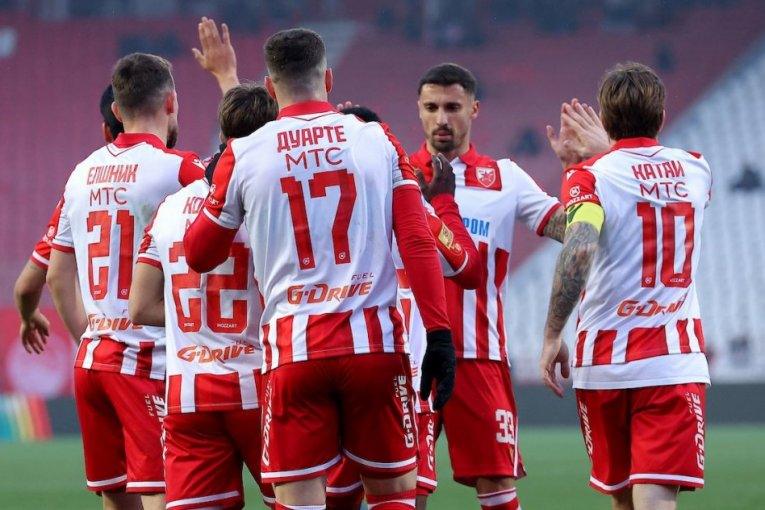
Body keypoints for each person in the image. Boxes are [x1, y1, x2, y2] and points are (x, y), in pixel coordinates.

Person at [183, 28, 456, 510]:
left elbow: (199, 254)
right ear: (328, 79)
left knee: (300, 500)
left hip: (294, 354)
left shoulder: (244, 154)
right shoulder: (376, 138)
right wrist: (438, 335)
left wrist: (225, 199)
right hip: (373, 347)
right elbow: (415, 238)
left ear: (270, 88)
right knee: (394, 493)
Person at [541, 62, 712, 510]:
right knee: (656, 496)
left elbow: (579, 247)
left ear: (604, 117)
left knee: (623, 500)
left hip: (602, 363)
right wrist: (612, 152)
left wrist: (552, 334)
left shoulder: (590, 177)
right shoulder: (697, 169)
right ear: (662, 115)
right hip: (672, 363)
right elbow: (648, 185)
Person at [46, 53, 205, 509]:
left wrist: (94, 338)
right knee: (162, 491)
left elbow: (57, 276)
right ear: (171, 103)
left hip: (93, 361)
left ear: (116, 109)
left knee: (116, 497)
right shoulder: (180, 169)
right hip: (144, 360)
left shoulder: (80, 174)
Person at [409, 63, 565, 510]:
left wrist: (582, 170)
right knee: (407, 487)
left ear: (474, 109)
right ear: (418, 110)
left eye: (453, 107)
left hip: (479, 355)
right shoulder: (397, 174)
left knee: (497, 483)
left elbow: (571, 228)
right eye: (432, 107)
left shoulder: (505, 178)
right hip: (411, 356)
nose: (442, 119)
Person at [129, 82, 279, 510]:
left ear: (222, 134)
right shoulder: (274, 202)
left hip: (189, 393)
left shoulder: (171, 208)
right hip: (261, 383)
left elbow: (139, 306)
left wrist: (193, 319)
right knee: (304, 499)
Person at [325, 105, 482, 510]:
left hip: (326, 363)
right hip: (400, 377)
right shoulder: (413, 207)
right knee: (402, 497)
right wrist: (443, 202)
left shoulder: (314, 208)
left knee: (329, 497)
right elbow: (468, 267)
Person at [13, 84, 123, 355]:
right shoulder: (180, 174)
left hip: (103, 353)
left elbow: (27, 287)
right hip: (168, 355)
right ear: (168, 110)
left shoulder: (80, 185)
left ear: (106, 131)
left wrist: (29, 316)